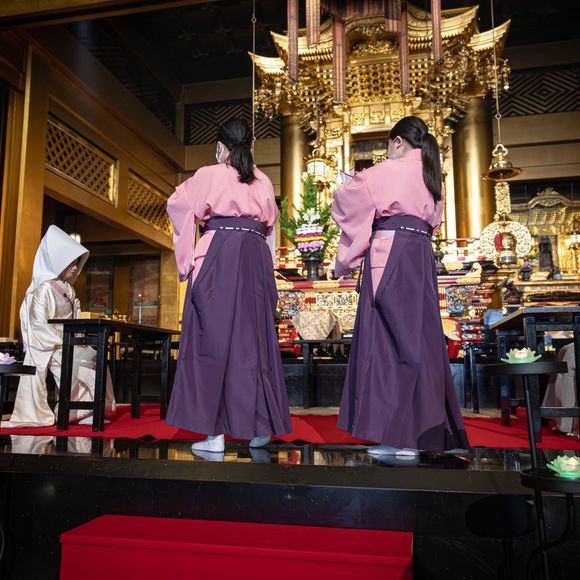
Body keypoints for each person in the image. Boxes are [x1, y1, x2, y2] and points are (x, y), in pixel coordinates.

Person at [332, 116, 469, 456]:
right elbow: (434, 222)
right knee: (418, 343)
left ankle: (401, 437)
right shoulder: (432, 175)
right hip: (419, 254)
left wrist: (347, 184)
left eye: (389, 146)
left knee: (386, 344)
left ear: (397, 142)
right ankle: (413, 434)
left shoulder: (384, 171)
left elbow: (347, 204)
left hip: (390, 254)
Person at [165, 118, 291, 453]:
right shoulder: (263, 180)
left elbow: (177, 204)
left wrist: (185, 261)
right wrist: (268, 273)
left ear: (220, 146)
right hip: (255, 256)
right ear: (251, 147)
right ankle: (260, 426)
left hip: (219, 252)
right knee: (255, 342)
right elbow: (269, 229)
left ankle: (214, 433)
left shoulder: (209, 174)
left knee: (211, 340)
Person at [6, 225, 116, 428]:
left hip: (68, 340)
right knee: (79, 365)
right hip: (49, 343)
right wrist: (65, 342)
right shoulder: (43, 289)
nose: (75, 267)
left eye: (76, 263)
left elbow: (75, 318)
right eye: (70, 263)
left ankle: (93, 409)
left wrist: (78, 339)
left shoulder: (69, 289)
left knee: (96, 358)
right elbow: (38, 324)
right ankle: (78, 411)